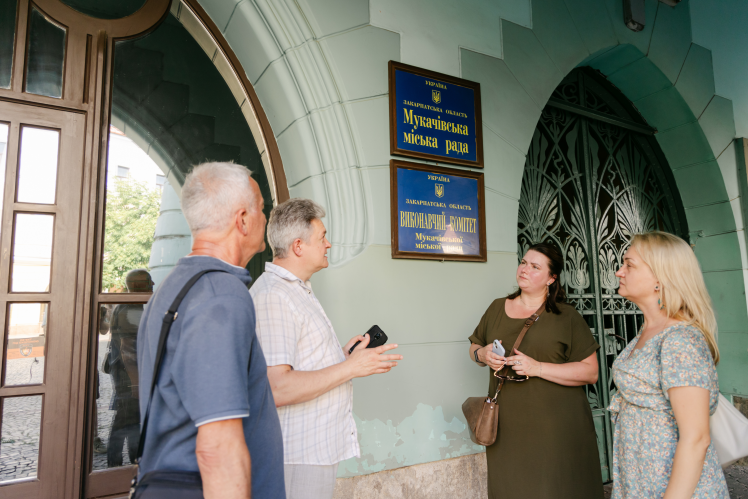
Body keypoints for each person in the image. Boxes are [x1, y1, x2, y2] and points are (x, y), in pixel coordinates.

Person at [136, 162, 285, 499]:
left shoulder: (173, 287)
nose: (265, 217)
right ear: (243, 219)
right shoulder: (221, 295)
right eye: (261, 208)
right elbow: (217, 449)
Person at [250, 198, 402, 499]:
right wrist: (350, 368)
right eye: (322, 237)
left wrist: (343, 358)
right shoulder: (274, 297)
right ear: (298, 246)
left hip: (313, 450)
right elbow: (277, 387)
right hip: (296, 453)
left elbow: (300, 364)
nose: (329, 244)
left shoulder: (296, 290)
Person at [468, 242, 604, 499]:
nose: (524, 270)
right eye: (523, 263)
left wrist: (537, 367)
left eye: (534, 266)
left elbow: (590, 372)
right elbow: (474, 346)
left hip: (558, 427)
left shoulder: (567, 316)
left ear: (552, 278)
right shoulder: (497, 307)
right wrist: (482, 354)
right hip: (505, 426)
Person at [610, 232, 729, 498]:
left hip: (674, 487)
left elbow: (696, 438)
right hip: (642, 479)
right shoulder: (649, 330)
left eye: (629, 264)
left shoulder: (680, 340)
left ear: (659, 279)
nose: (619, 272)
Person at [105, 269, 153, 467]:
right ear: (140, 286)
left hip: (127, 375)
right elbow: (129, 351)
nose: (152, 285)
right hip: (130, 377)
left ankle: (133, 460)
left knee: (131, 421)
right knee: (125, 421)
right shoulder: (131, 310)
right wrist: (136, 385)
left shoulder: (127, 306)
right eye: (148, 282)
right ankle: (115, 467)